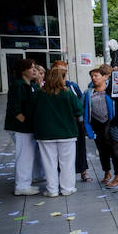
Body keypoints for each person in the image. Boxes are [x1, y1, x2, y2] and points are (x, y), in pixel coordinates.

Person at [31, 66, 83, 197]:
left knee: (49, 163)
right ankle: (67, 188)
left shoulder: (39, 93)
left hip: (45, 133)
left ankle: (52, 190)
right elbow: (79, 110)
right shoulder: (68, 93)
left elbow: (31, 110)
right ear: (61, 78)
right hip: (67, 132)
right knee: (67, 163)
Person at [5, 58, 41, 195]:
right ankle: (22, 186)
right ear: (23, 71)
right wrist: (25, 123)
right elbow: (14, 109)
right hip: (21, 128)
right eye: (31, 68)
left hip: (28, 127)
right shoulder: (18, 85)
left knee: (28, 155)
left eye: (35, 67)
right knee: (24, 156)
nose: (34, 70)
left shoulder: (31, 85)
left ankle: (25, 183)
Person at [83, 65, 118, 185]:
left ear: (104, 77)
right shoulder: (88, 92)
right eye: (92, 76)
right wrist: (87, 127)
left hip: (111, 123)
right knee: (102, 150)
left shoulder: (111, 90)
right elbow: (84, 109)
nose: (93, 78)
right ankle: (107, 172)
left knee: (114, 150)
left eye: (96, 75)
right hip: (96, 124)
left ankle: (117, 175)